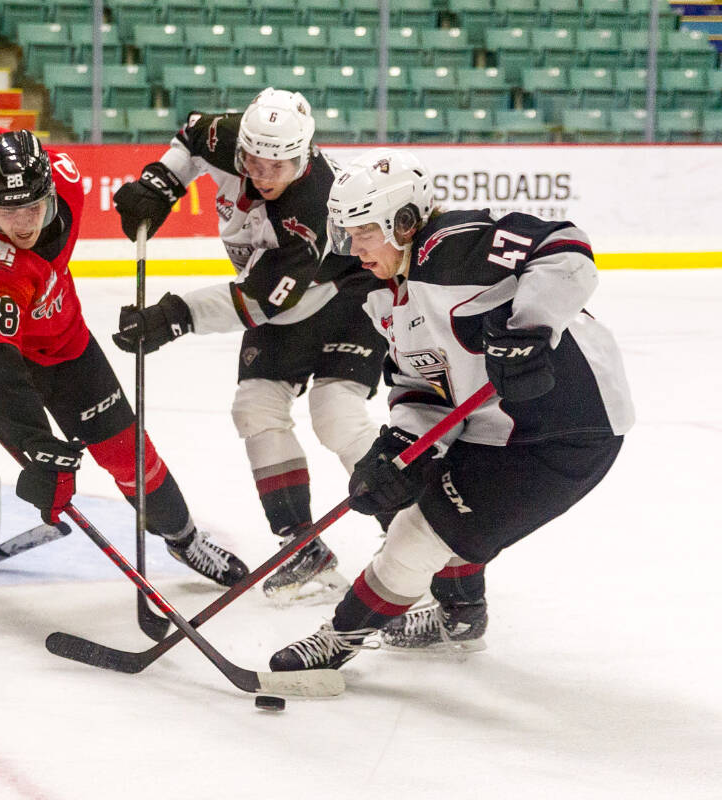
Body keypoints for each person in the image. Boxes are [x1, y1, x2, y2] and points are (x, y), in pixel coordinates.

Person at [268, 148, 634, 672]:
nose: (353, 248)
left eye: (364, 232)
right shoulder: (382, 294)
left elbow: (566, 249)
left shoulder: (456, 246)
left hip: (567, 428)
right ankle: (460, 615)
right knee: (424, 489)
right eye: (346, 232)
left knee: (422, 530)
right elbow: (420, 384)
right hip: (496, 425)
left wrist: (530, 331)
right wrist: (397, 448)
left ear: (404, 221)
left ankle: (340, 638)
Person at [0, 126, 250, 623]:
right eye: (6, 211)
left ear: (49, 189)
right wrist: (39, 451)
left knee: (127, 452)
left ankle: (184, 538)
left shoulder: (66, 178)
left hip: (57, 339)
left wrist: (150, 197)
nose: (22, 224)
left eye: (31, 208)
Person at [110, 88, 387, 604]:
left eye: (277, 167)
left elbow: (262, 303)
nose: (262, 175)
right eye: (253, 161)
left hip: (348, 296)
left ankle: (409, 536)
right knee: (255, 407)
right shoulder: (231, 135)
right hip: (280, 295)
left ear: (303, 156)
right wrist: (162, 182)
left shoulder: (315, 206)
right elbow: (192, 135)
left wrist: (172, 317)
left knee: (336, 414)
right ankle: (302, 550)